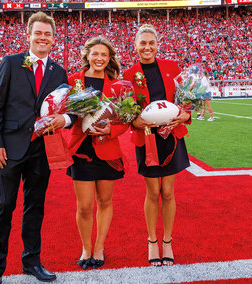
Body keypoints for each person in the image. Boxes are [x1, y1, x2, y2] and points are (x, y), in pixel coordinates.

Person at [0, 12, 76, 284]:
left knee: (35, 207)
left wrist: (65, 119)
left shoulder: (58, 71)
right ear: (28, 36)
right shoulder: (11, 63)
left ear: (53, 39)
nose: (43, 38)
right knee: (4, 205)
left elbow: (68, 111)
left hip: (42, 149)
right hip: (11, 149)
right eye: (38, 33)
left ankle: (31, 262)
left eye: (47, 34)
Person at [123, 25, 191, 267]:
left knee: (169, 192)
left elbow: (187, 100)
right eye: (143, 43)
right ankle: (152, 241)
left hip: (171, 137)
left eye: (151, 42)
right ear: (135, 46)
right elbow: (125, 110)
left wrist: (186, 115)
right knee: (152, 192)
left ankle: (168, 241)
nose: (147, 47)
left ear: (157, 44)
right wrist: (134, 120)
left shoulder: (173, 68)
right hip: (147, 138)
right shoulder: (130, 74)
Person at [67, 37, 127, 270]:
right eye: (95, 54)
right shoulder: (73, 81)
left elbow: (125, 120)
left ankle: (99, 246)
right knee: (84, 206)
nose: (99, 58)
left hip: (108, 150)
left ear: (109, 58)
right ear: (87, 55)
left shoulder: (118, 85)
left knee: (105, 201)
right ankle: (85, 247)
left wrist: (112, 129)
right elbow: (64, 111)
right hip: (81, 150)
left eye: (104, 55)